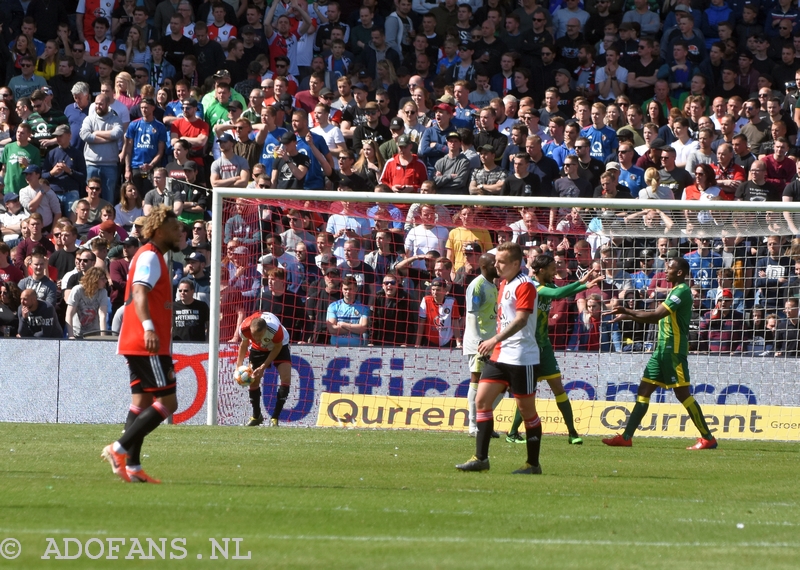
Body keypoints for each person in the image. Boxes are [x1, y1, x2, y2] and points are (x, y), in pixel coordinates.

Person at [101, 205, 183, 484]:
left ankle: (133, 468)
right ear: (159, 231)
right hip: (146, 342)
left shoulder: (152, 255)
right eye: (175, 228)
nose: (180, 232)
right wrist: (149, 328)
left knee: (142, 401)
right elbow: (138, 291)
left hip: (136, 341)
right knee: (168, 402)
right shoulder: (149, 256)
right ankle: (118, 448)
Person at [602, 257, 719, 450]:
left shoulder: (682, 291)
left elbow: (656, 315)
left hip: (673, 350)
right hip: (660, 350)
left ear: (679, 272)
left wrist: (629, 311)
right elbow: (657, 319)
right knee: (643, 390)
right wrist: (629, 314)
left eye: (669, 268)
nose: (665, 271)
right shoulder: (673, 290)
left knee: (682, 394)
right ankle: (626, 437)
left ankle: (708, 438)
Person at [456, 242, 543, 474]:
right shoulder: (503, 283)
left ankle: (533, 464)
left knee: (527, 412)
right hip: (500, 354)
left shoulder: (526, 285)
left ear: (516, 263)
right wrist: (496, 343)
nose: (496, 265)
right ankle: (480, 458)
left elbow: (522, 319)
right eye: (496, 261)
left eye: (501, 261)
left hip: (521, 357)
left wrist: (494, 339)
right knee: (482, 401)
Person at [506, 254, 603, 444]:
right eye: (552, 268)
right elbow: (558, 295)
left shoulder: (549, 285)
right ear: (541, 270)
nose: (555, 271)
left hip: (545, 347)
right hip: (528, 348)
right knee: (528, 392)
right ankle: (512, 432)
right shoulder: (532, 286)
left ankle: (573, 433)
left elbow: (561, 292)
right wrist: (583, 286)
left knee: (558, 388)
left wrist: (581, 282)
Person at [237, 311, 293, 427]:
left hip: (279, 345)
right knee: (254, 380)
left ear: (265, 330)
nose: (256, 338)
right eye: (254, 336)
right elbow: (244, 344)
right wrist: (239, 367)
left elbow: (277, 348)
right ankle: (256, 416)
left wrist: (263, 366)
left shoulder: (275, 330)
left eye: (259, 335)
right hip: (258, 349)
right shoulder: (244, 328)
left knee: (286, 378)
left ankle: (275, 418)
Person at [464, 253, 499, 437]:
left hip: (492, 340)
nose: (498, 265)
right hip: (479, 341)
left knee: (502, 383)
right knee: (476, 380)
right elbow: (472, 315)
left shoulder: (493, 284)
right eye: (495, 263)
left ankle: (484, 421)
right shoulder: (477, 286)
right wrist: (478, 341)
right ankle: (473, 425)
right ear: (485, 267)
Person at [65, 266, 109, 338]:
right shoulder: (77, 290)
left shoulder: (103, 292)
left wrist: (103, 337)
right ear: (95, 279)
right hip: (78, 334)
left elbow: (102, 315)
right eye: (103, 279)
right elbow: (69, 314)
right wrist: (71, 335)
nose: (105, 281)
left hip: (95, 334)